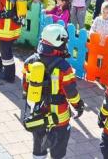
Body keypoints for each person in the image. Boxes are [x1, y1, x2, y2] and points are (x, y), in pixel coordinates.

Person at [21, 24, 85, 159]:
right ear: (58, 42)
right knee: (58, 152)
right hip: (59, 118)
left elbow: (26, 87)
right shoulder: (64, 68)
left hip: (37, 115)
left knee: (39, 148)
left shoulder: (30, 62)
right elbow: (71, 93)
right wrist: (78, 105)